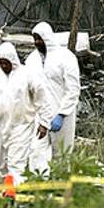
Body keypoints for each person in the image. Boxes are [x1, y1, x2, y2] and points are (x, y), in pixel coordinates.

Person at [0, 42, 53, 185]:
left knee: (16, 164)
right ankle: (7, 190)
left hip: (22, 126)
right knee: (1, 164)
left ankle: (15, 193)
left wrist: (44, 122)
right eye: (1, 63)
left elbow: (42, 98)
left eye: (7, 63)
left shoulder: (27, 75)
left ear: (13, 60)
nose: (4, 66)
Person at [25, 21, 82, 160]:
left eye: (40, 38)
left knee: (62, 155)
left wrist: (62, 114)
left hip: (62, 115)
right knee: (36, 154)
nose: (37, 42)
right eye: (35, 39)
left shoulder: (66, 57)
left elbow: (73, 89)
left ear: (47, 38)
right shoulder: (31, 60)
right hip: (39, 116)